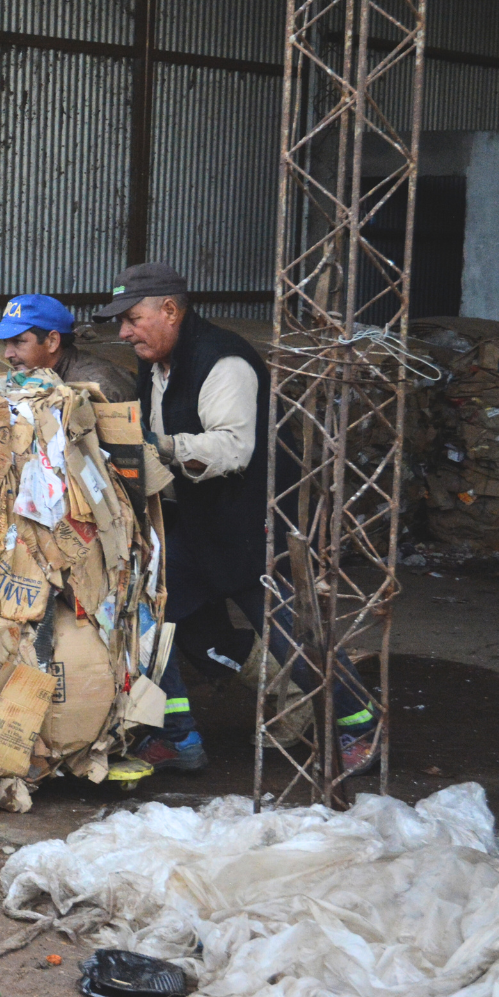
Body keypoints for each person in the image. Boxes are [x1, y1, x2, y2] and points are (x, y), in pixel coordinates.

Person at [98, 262, 380, 775]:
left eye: (133, 319)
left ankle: (359, 720)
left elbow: (232, 447)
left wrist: (158, 446)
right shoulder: (157, 364)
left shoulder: (223, 360)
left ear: (169, 310)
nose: (124, 333)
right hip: (198, 525)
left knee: (288, 634)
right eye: (121, 322)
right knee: (150, 619)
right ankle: (177, 737)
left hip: (254, 522)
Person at [0, 293, 137, 402]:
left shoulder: (97, 388)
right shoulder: (39, 378)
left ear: (52, 341)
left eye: (18, 342)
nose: (7, 354)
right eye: (6, 343)